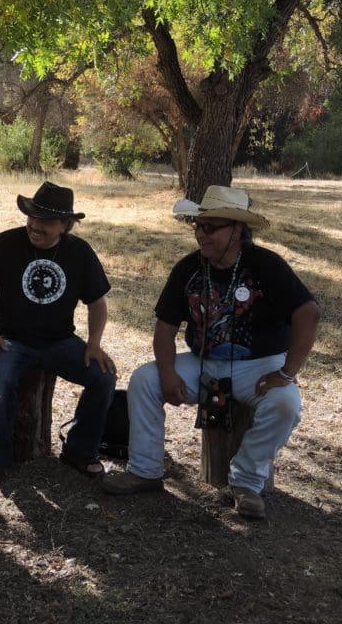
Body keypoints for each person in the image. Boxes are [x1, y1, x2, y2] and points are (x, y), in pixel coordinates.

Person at [102, 186, 320, 519]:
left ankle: (246, 482)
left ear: (237, 231)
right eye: (198, 226)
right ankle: (145, 470)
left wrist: (287, 373)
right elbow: (164, 327)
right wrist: (167, 373)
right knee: (145, 380)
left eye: (210, 227)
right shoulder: (189, 267)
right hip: (204, 362)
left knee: (285, 404)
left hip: (258, 366)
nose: (200, 234)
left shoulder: (266, 265)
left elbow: (308, 313)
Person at [0, 182, 118, 485]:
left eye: (46, 221)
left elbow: (97, 303)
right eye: (31, 217)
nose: (35, 225)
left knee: (104, 377)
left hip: (60, 341)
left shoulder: (79, 252)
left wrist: (94, 344)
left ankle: (79, 450)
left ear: (65, 225)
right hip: (12, 340)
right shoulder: (5, 243)